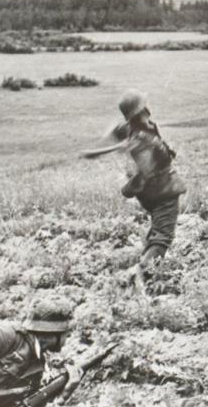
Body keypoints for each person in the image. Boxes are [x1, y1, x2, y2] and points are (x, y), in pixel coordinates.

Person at [79, 89, 187, 275]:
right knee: (163, 236)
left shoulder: (132, 129)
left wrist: (97, 150)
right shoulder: (143, 140)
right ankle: (142, 272)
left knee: (158, 228)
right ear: (142, 110)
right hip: (163, 191)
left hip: (151, 195)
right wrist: (128, 185)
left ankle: (148, 262)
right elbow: (146, 171)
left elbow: (116, 131)